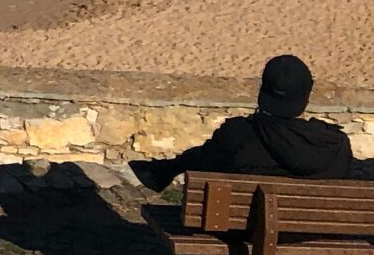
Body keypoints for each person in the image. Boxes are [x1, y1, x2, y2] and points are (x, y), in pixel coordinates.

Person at [133, 55, 362, 188]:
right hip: (313, 233)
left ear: (263, 90)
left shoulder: (239, 135)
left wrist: (172, 168)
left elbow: (204, 162)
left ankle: (161, 172)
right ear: (306, 94)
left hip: (242, 229)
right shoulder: (334, 143)